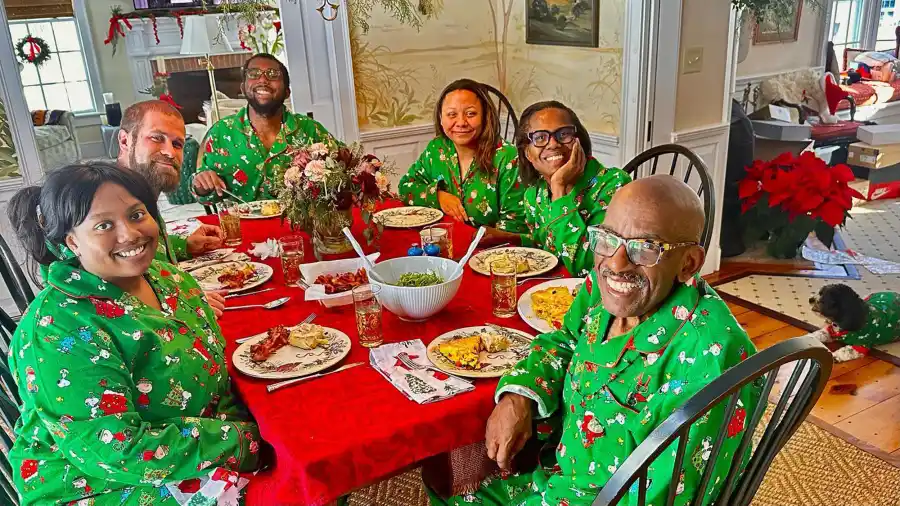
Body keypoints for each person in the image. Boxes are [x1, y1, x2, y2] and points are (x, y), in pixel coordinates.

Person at [431, 176, 761, 506]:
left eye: (645, 248)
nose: (616, 264)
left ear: (689, 263)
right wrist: (519, 394)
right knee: (439, 481)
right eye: (606, 239)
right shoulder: (602, 287)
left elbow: (668, 494)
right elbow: (564, 340)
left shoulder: (711, 361)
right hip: (554, 476)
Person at [7, 162, 263, 505]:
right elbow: (117, 449)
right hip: (99, 482)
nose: (129, 234)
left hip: (195, 443)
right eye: (104, 225)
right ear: (72, 241)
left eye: (137, 214)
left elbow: (212, 374)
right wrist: (245, 442)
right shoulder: (56, 329)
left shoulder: (171, 280)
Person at [117, 99, 227, 317]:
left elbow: (134, 250)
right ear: (124, 140)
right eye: (157, 138)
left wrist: (182, 245)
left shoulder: (139, 190)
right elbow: (98, 288)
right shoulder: (108, 202)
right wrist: (178, 298)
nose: (169, 152)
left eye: (177, 144)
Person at [192, 53, 339, 203]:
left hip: (299, 225)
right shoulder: (220, 133)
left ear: (287, 92)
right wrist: (202, 187)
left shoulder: (310, 130)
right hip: (243, 225)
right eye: (254, 74)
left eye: (273, 75)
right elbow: (206, 197)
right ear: (243, 88)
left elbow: (345, 168)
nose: (263, 79)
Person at [398, 79, 527, 238]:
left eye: (471, 114)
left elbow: (515, 228)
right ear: (440, 117)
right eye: (452, 114)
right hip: (444, 243)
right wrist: (438, 196)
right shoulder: (437, 149)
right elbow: (405, 187)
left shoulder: (507, 157)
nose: (461, 122)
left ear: (486, 116)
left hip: (491, 253)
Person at [516, 101, 631, 277]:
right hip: (550, 292)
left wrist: (559, 187)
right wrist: (506, 237)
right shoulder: (534, 194)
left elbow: (586, 267)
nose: (553, 144)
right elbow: (542, 248)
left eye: (564, 134)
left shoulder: (614, 185)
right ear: (527, 153)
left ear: (579, 141)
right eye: (540, 138)